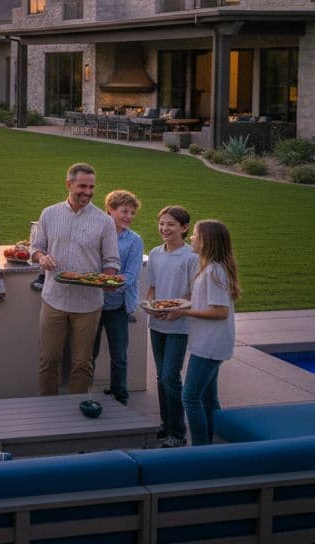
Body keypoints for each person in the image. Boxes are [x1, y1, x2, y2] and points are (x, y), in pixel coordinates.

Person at [31, 162, 121, 396]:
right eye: (82, 186)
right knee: (48, 359)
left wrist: (108, 280)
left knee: (82, 363)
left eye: (92, 187)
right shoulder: (49, 214)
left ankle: (77, 413)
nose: (88, 192)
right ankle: (47, 408)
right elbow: (36, 248)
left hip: (88, 303)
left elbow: (112, 261)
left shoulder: (104, 221)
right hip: (54, 299)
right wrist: (42, 258)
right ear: (68, 184)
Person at [160, 219, 239, 446]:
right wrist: (182, 304)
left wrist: (184, 313)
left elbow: (219, 312)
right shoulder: (210, 268)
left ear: (208, 241)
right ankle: (212, 445)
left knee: (190, 397)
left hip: (209, 345)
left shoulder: (215, 271)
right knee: (208, 399)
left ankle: (201, 448)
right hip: (209, 343)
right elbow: (205, 302)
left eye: (195, 234)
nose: (192, 238)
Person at [145, 205, 198, 448]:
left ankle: (178, 432)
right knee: (160, 377)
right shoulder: (155, 253)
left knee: (170, 376)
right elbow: (153, 287)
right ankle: (166, 425)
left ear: (184, 228)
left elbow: (192, 292)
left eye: (171, 224)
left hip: (179, 325)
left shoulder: (191, 257)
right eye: (162, 224)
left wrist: (177, 311)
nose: (164, 229)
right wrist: (151, 305)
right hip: (157, 323)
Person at [92, 190, 142, 405]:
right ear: (110, 210)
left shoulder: (134, 241)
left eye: (132, 213)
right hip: (92, 303)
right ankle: (82, 393)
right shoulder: (96, 233)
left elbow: (132, 274)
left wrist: (114, 283)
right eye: (124, 211)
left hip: (118, 305)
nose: (128, 216)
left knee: (119, 354)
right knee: (88, 353)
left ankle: (120, 394)